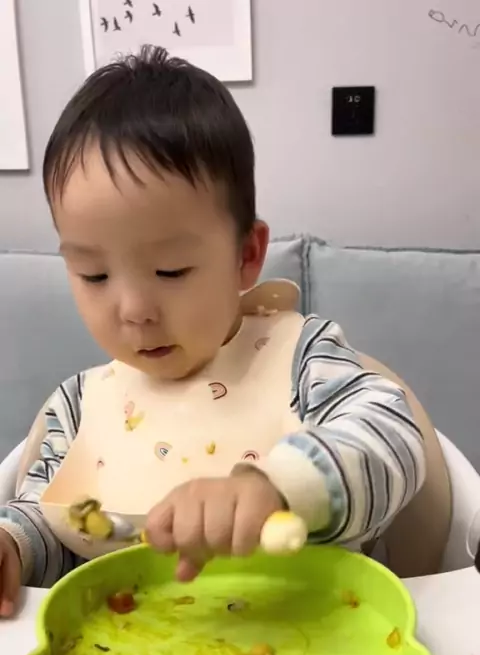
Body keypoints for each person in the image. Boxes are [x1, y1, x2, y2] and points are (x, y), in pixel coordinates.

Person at [0, 47, 425, 618]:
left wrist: (279, 486)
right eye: (94, 274)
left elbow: (392, 437)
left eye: (171, 271)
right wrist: (13, 545)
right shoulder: (80, 405)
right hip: (128, 654)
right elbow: (46, 518)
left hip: (311, 641)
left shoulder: (302, 359)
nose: (134, 310)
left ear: (246, 255)